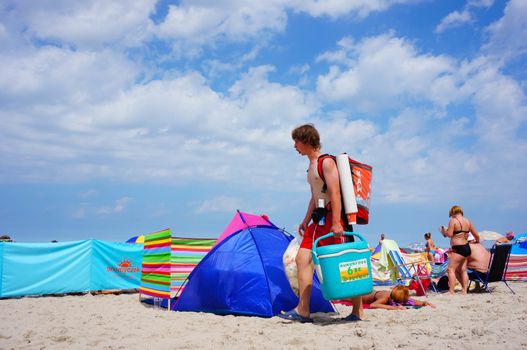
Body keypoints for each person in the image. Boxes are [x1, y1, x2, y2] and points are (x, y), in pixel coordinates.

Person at [279, 124, 363, 323]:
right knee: (301, 259)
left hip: (333, 220)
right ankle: (303, 310)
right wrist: (306, 219)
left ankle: (358, 311)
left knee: (345, 263)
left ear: (307, 140)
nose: (295, 146)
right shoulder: (311, 166)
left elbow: (335, 193)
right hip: (317, 221)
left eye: (296, 142)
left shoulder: (326, 163)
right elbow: (315, 196)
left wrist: (336, 223)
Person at [440, 205, 480, 294]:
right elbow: (476, 235)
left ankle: (451, 291)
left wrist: (444, 232)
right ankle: (464, 290)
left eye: (451, 214)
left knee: (450, 269)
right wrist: (477, 242)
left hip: (458, 247)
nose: (451, 216)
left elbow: (450, 234)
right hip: (466, 247)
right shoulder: (468, 221)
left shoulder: (453, 221)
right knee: (462, 270)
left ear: (453, 213)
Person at [362, 285, 436, 310]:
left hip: (371, 291)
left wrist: (425, 303)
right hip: (362, 295)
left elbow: (413, 301)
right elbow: (372, 305)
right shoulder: (385, 297)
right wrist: (394, 308)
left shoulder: (399, 296)